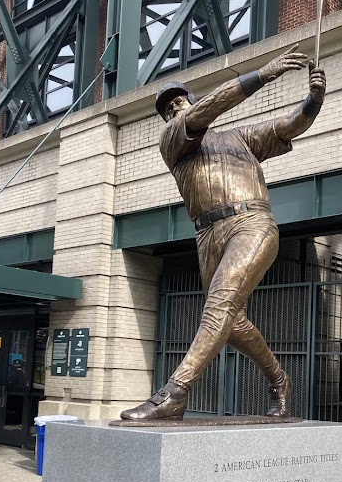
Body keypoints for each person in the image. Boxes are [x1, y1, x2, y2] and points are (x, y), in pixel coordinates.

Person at [121, 45, 326, 421]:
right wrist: (265, 73)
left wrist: (313, 99)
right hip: (207, 236)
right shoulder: (173, 140)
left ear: (191, 99)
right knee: (231, 323)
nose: (174, 110)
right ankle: (280, 380)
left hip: (251, 223)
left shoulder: (239, 138)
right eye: (168, 109)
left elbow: (290, 125)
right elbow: (209, 108)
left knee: (219, 306)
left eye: (179, 102)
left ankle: (175, 392)